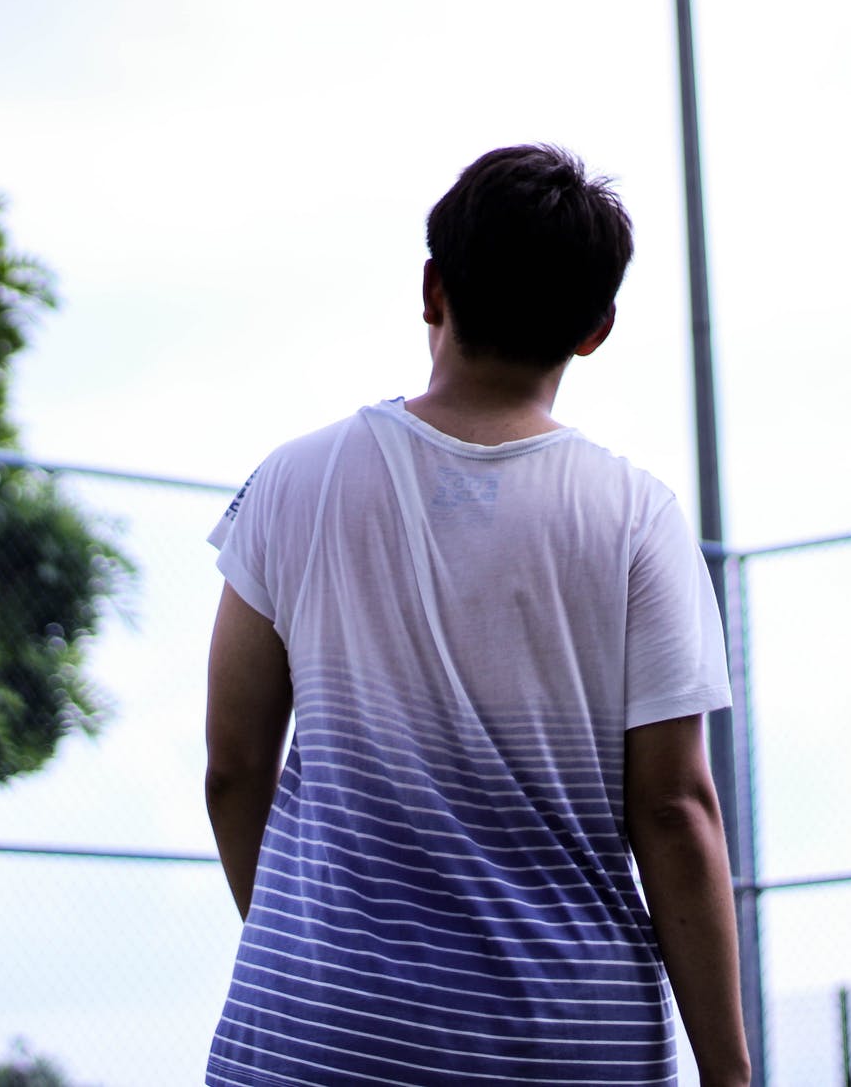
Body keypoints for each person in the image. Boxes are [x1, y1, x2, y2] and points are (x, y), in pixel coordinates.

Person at [203, 144, 752, 1086]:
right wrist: (730, 1073)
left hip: (318, 1035)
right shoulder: (636, 517)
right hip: (570, 1045)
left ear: (432, 289)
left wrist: (312, 952)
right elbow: (672, 808)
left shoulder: (291, 483)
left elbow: (233, 767)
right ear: (595, 328)